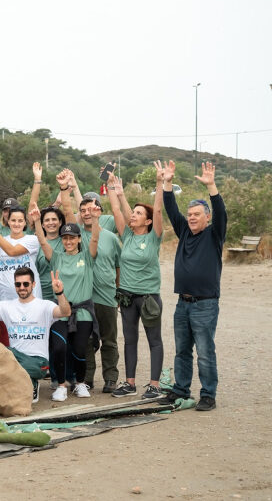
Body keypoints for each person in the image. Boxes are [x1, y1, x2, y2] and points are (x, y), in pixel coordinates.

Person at [160, 160, 226, 411]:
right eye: (189, 215)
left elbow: (221, 212)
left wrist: (212, 187)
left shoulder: (214, 234)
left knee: (206, 352)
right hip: (182, 303)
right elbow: (170, 208)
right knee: (182, 351)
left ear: (207, 218)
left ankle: (208, 394)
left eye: (197, 214)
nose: (191, 218)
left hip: (205, 304)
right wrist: (167, 182)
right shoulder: (185, 231)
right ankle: (180, 389)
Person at [0, 267, 71, 403]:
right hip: (14, 358)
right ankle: (26, 385)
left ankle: (29, 383)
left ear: (33, 285)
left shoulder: (44, 305)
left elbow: (65, 312)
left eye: (26, 284)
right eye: (18, 284)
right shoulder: (7, 306)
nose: (22, 287)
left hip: (38, 362)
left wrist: (60, 293)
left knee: (7, 365)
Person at [108, 166, 165, 399]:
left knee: (154, 340)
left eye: (139, 213)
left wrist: (160, 182)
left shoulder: (154, 237)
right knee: (130, 340)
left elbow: (159, 209)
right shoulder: (128, 235)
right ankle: (129, 383)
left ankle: (154, 384)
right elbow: (115, 209)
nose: (133, 215)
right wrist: (115, 188)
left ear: (148, 221)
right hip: (127, 296)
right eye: (134, 212)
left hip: (149, 297)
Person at [32, 214, 99, 401]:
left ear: (78, 239)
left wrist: (95, 219)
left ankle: (79, 383)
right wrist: (37, 220)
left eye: (72, 238)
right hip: (60, 311)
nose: (68, 241)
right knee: (59, 347)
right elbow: (42, 241)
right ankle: (61, 385)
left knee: (79, 349)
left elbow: (94, 238)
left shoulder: (87, 256)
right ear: (62, 241)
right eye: (65, 238)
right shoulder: (57, 257)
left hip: (82, 312)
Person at [76, 192, 122, 393]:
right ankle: (87, 378)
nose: (87, 213)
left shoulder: (111, 237)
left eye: (91, 209)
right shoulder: (76, 236)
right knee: (86, 340)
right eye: (83, 210)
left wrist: (118, 291)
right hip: (85, 298)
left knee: (109, 340)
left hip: (107, 296)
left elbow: (119, 266)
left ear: (100, 211)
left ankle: (111, 378)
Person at [0, 202, 41, 302]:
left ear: (24, 223)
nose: (16, 224)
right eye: (13, 220)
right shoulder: (0, 240)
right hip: (6, 301)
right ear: (8, 222)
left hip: (30, 299)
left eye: (20, 221)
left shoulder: (32, 240)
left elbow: (12, 251)